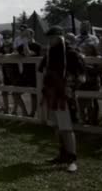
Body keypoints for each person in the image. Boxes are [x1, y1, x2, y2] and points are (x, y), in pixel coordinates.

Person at [39, 26, 86, 173]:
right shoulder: (51, 53)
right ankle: (63, 154)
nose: (49, 40)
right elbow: (42, 69)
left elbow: (81, 76)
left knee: (66, 127)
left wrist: (68, 88)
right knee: (57, 126)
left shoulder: (71, 53)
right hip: (52, 93)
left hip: (63, 95)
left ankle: (72, 159)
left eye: (51, 37)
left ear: (59, 37)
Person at [17, 28, 42, 117]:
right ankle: (24, 112)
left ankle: (32, 113)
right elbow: (17, 54)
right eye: (24, 35)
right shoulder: (20, 46)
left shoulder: (37, 46)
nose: (25, 36)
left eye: (27, 35)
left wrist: (24, 42)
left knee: (34, 94)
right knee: (15, 93)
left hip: (35, 73)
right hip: (25, 73)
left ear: (32, 35)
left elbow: (28, 54)